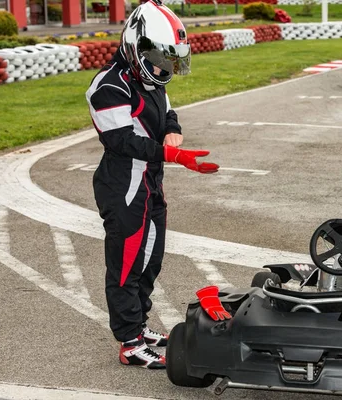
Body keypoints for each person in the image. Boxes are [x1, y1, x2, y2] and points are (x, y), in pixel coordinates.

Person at [85, 0, 219, 369]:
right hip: (123, 186)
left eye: (169, 57)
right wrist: (174, 155)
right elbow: (121, 141)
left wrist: (173, 131)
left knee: (151, 260)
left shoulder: (150, 78)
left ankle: (139, 325)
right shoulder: (108, 86)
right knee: (126, 264)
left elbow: (167, 111)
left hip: (150, 183)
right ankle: (129, 342)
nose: (164, 65)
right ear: (136, 44)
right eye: (159, 55)